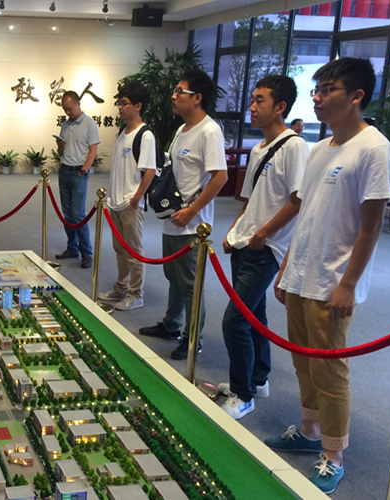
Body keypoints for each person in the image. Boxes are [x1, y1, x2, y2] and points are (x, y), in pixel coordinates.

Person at [267, 57, 390, 494]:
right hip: (301, 274)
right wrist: (287, 268)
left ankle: (333, 453)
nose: (317, 98)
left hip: (332, 282)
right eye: (316, 90)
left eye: (327, 90)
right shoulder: (320, 148)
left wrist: (348, 284)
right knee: (302, 361)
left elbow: (371, 226)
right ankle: (309, 430)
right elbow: (307, 216)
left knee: (329, 369)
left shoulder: (373, 148)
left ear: (356, 96)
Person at [219, 75, 308, 420]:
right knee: (255, 315)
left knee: (235, 321)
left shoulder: (294, 147)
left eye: (260, 100)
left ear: (280, 107)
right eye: (252, 100)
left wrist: (262, 234)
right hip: (245, 242)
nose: (252, 107)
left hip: (266, 247)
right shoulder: (258, 149)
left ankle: (243, 395)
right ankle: (258, 379)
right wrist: (235, 231)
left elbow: (298, 200)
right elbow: (250, 200)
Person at [138, 69, 227, 360]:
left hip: (192, 225)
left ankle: (192, 338)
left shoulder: (209, 131)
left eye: (180, 91)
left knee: (190, 284)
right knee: (173, 276)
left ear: (197, 98)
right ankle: (171, 324)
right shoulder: (182, 129)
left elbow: (220, 177)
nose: (173, 96)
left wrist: (192, 211)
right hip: (173, 219)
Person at [98, 82, 156, 311]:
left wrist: (136, 198)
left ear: (138, 106)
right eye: (119, 103)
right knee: (120, 249)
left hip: (130, 203)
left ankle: (136, 294)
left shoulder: (145, 135)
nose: (120, 107)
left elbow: (150, 171)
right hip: (115, 201)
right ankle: (120, 287)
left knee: (133, 251)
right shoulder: (123, 133)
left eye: (124, 103)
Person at [55, 91, 101, 269]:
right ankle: (72, 247)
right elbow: (61, 153)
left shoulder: (90, 123)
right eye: (64, 109)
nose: (67, 112)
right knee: (67, 214)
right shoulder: (65, 125)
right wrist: (60, 147)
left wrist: (84, 170)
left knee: (78, 214)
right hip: (64, 170)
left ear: (78, 104)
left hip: (79, 173)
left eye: (70, 108)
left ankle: (86, 253)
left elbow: (93, 151)